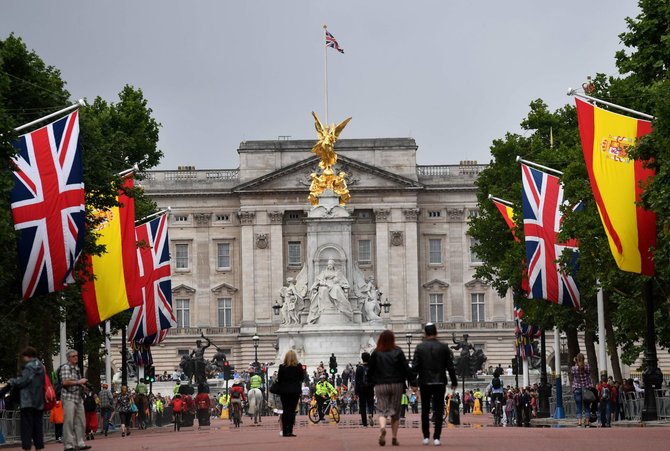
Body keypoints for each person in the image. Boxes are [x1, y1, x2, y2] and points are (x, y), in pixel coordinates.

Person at [411, 323, 458, 446]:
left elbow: (415, 367)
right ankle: (437, 437)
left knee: (425, 410)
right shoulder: (443, 347)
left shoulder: (420, 347)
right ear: (436, 333)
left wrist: (413, 383)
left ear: (425, 333)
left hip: (425, 382)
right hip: (440, 381)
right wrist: (454, 381)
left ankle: (426, 436)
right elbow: (450, 366)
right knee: (438, 410)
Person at [368, 330, 411, 447]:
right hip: (396, 384)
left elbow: (370, 370)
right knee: (395, 413)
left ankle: (382, 428)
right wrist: (412, 382)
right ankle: (394, 437)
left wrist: (369, 383)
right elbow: (406, 369)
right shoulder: (398, 351)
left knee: (382, 410)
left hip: (381, 384)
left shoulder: (376, 353)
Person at [8, 346, 45, 451]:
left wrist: (12, 381)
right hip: (39, 401)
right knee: (38, 426)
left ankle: (27, 447)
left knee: (27, 427)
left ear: (27, 356)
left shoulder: (29, 367)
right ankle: (39, 447)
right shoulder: (41, 367)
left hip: (28, 400)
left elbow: (23, 381)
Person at [60, 349, 90, 451]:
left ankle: (80, 442)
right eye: (73, 356)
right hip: (68, 397)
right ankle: (68, 445)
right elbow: (64, 382)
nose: (76, 357)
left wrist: (83, 386)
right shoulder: (65, 367)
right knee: (69, 421)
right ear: (68, 358)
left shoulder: (77, 368)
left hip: (78, 397)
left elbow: (77, 382)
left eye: (76, 355)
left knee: (81, 421)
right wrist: (78, 382)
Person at [276, 350, 305, 437]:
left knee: (285, 410)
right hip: (295, 391)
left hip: (284, 391)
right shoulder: (298, 366)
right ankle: (290, 431)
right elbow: (302, 378)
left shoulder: (282, 367)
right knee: (292, 411)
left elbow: (279, 379)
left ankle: (285, 431)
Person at [571, 353, 593, 427]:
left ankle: (579, 423)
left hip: (577, 388)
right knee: (587, 406)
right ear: (584, 359)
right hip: (586, 388)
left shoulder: (574, 368)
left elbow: (573, 373)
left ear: (577, 359)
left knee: (578, 406)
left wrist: (575, 362)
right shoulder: (587, 366)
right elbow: (589, 373)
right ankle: (587, 423)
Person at [355, 352, 375, 427]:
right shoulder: (371, 367)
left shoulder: (359, 368)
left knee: (362, 405)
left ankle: (364, 423)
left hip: (361, 389)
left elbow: (357, 381)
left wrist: (356, 392)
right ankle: (370, 413)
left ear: (362, 358)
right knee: (370, 403)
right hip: (370, 388)